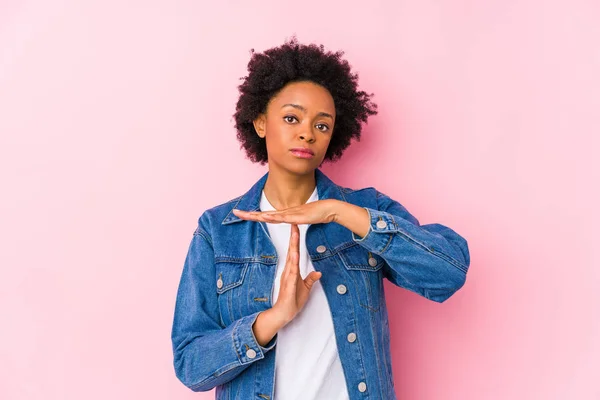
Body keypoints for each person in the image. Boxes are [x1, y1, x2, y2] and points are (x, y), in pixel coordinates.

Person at [171, 35, 471, 400]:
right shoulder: (218, 230)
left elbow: (448, 272)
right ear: (261, 122)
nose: (306, 133)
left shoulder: (364, 211)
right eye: (291, 117)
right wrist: (272, 319)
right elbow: (190, 365)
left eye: (322, 125)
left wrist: (338, 212)